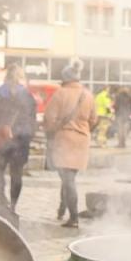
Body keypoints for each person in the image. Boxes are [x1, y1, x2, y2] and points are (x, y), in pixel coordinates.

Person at [42, 61, 95, 229]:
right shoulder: (88, 95)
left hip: (64, 140)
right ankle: (62, 208)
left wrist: (51, 131)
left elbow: (49, 119)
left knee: (68, 179)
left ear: (65, 78)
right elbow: (93, 119)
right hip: (82, 140)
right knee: (68, 177)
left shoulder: (60, 94)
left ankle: (73, 217)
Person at [0, 63, 37, 212]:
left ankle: (2, 198)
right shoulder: (27, 96)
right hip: (20, 139)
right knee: (16, 173)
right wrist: (28, 135)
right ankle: (13, 204)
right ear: (21, 77)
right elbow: (32, 120)